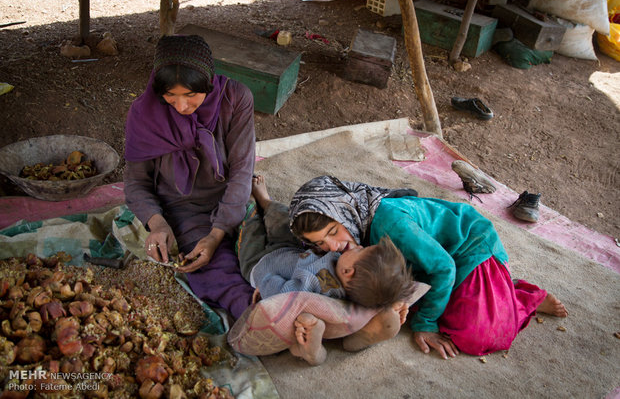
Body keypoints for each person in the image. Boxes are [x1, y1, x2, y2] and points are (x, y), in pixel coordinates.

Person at [289, 175, 569, 359]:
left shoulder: (391, 225)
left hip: (469, 249)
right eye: (320, 243)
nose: (333, 247)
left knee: (475, 334)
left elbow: (444, 267)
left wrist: (425, 324)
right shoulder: (356, 234)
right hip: (432, 261)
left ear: (343, 212)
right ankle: (498, 291)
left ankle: (521, 294)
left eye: (333, 231)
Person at [123, 34, 255, 319]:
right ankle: (260, 316)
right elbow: (136, 183)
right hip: (183, 209)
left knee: (268, 250)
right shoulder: (143, 114)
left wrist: (218, 233)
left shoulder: (235, 98)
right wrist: (158, 224)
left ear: (207, 82)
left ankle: (299, 300)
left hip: (231, 198)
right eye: (171, 95)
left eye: (191, 95)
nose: (181, 106)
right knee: (209, 270)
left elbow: (242, 173)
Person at [237, 175, 417, 365]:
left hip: (261, 263)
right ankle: (358, 335)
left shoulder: (314, 283)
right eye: (322, 242)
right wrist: (391, 298)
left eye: (361, 250)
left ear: (348, 272)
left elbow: (284, 295)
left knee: (250, 231)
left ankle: (253, 206)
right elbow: (380, 280)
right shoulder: (355, 276)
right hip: (293, 252)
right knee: (285, 220)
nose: (332, 247)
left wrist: (265, 281)